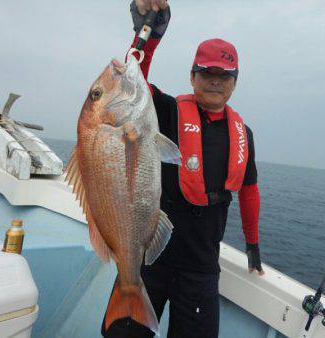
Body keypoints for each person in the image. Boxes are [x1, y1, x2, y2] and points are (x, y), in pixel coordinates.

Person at [102, 1, 264, 337]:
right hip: (149, 256)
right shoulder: (165, 111)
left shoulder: (243, 135)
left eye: (224, 75)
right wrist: (148, 33)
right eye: (207, 73)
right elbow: (132, 83)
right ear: (192, 76)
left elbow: (249, 192)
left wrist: (253, 244)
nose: (215, 82)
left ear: (235, 82)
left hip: (201, 267)